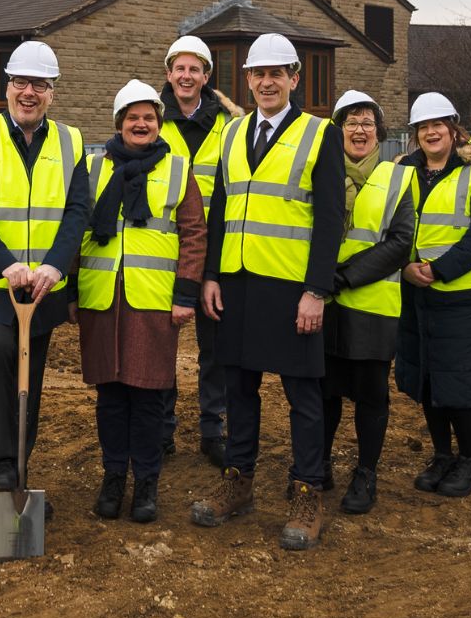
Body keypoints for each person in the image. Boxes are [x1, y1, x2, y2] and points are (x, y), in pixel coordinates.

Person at [190, 33, 346, 552]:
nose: (266, 81)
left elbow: (330, 220)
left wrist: (317, 290)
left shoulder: (318, 133)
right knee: (239, 389)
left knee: (303, 395)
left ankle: (306, 490)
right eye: (258, 74)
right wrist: (210, 275)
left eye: (277, 73)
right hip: (236, 282)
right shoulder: (232, 134)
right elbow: (220, 208)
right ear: (248, 81)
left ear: (294, 79)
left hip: (290, 287)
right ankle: (238, 481)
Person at [0, 40, 89, 517]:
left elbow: (77, 211)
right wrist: (4, 263)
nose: (27, 92)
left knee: (31, 372)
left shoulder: (71, 141)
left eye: (39, 85)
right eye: (19, 83)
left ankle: (17, 472)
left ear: (52, 93)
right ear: (6, 87)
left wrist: (55, 264)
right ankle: (2, 465)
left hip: (45, 284)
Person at [77, 80, 206, 523]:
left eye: (149, 117)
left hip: (153, 300)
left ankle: (146, 481)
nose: (141, 124)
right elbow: (73, 230)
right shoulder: (93, 169)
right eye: (132, 117)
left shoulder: (176, 168)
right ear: (119, 123)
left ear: (159, 122)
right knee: (110, 395)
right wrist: (74, 292)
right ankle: (114, 477)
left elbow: (193, 234)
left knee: (150, 396)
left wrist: (185, 294)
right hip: (102, 296)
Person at [397, 93, 471, 499]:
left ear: (453, 130)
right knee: (428, 379)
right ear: (415, 134)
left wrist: (439, 270)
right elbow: (391, 224)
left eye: (438, 124)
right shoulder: (404, 172)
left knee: (458, 383)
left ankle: (466, 460)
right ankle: (442, 455)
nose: (431, 131)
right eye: (423, 126)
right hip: (416, 292)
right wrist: (406, 266)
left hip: (463, 297)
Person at [322, 90, 415, 515]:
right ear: (338, 129)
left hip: (371, 304)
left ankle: (365, 473)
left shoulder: (397, 177)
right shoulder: (318, 173)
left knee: (370, 394)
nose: (359, 131)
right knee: (323, 390)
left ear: (379, 131)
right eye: (351, 122)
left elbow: (399, 243)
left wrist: (343, 276)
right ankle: (317, 463)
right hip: (323, 303)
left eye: (367, 123)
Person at [156, 35, 242, 467]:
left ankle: (214, 429)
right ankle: (162, 428)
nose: (186, 76)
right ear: (169, 73)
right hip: (162, 246)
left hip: (216, 248)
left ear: (207, 76)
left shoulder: (229, 126)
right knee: (161, 345)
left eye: (195, 69)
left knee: (215, 347)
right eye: (179, 68)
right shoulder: (152, 117)